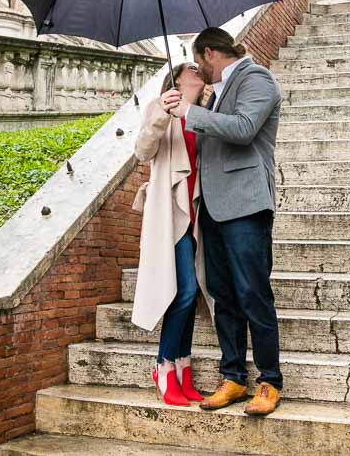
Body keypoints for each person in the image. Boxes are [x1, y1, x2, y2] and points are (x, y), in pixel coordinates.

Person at [162, 27, 284, 417]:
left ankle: (269, 381)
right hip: (212, 209)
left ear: (211, 52)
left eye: (199, 60)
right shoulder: (218, 94)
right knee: (223, 296)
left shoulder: (257, 79)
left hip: (246, 206)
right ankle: (232, 376)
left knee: (253, 293)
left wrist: (191, 112)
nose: (200, 68)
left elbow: (245, 129)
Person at [131, 63, 213, 406]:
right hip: (170, 210)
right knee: (185, 289)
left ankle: (183, 368)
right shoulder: (159, 108)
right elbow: (142, 151)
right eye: (193, 71)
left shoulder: (201, 112)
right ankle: (163, 366)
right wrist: (163, 115)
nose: (200, 74)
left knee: (193, 294)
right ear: (179, 79)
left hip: (197, 212)